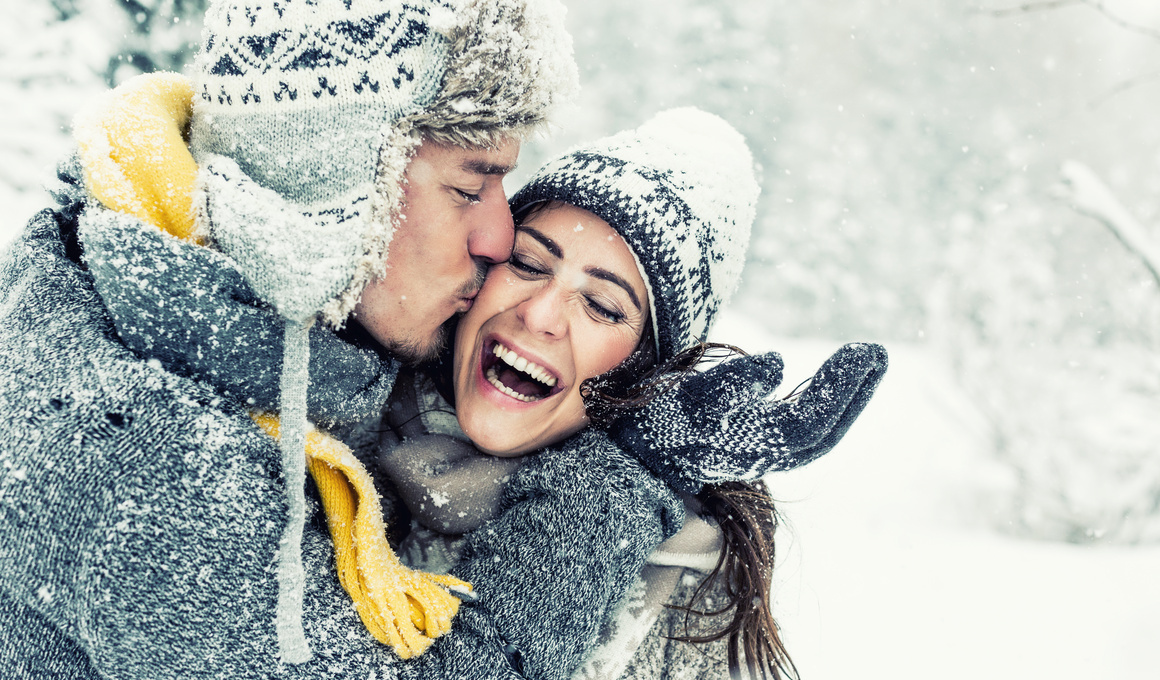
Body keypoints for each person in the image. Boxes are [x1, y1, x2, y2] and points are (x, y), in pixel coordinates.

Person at [0, 0, 607, 677]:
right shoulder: (148, 465)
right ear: (330, 188)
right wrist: (607, 494)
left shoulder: (145, 309)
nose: (500, 237)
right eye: (470, 186)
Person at [366, 108, 890, 680]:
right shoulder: (323, 430)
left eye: (604, 306)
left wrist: (610, 486)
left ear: (646, 371)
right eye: (528, 263)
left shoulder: (682, 605)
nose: (541, 313)